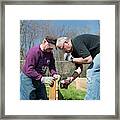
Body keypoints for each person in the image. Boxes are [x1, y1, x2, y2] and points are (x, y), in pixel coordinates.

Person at [56, 34, 100, 100]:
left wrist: (71, 59)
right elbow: (79, 69)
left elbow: (88, 59)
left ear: (66, 42)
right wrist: (70, 80)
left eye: (62, 48)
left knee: (92, 72)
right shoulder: (74, 53)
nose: (63, 51)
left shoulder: (76, 42)